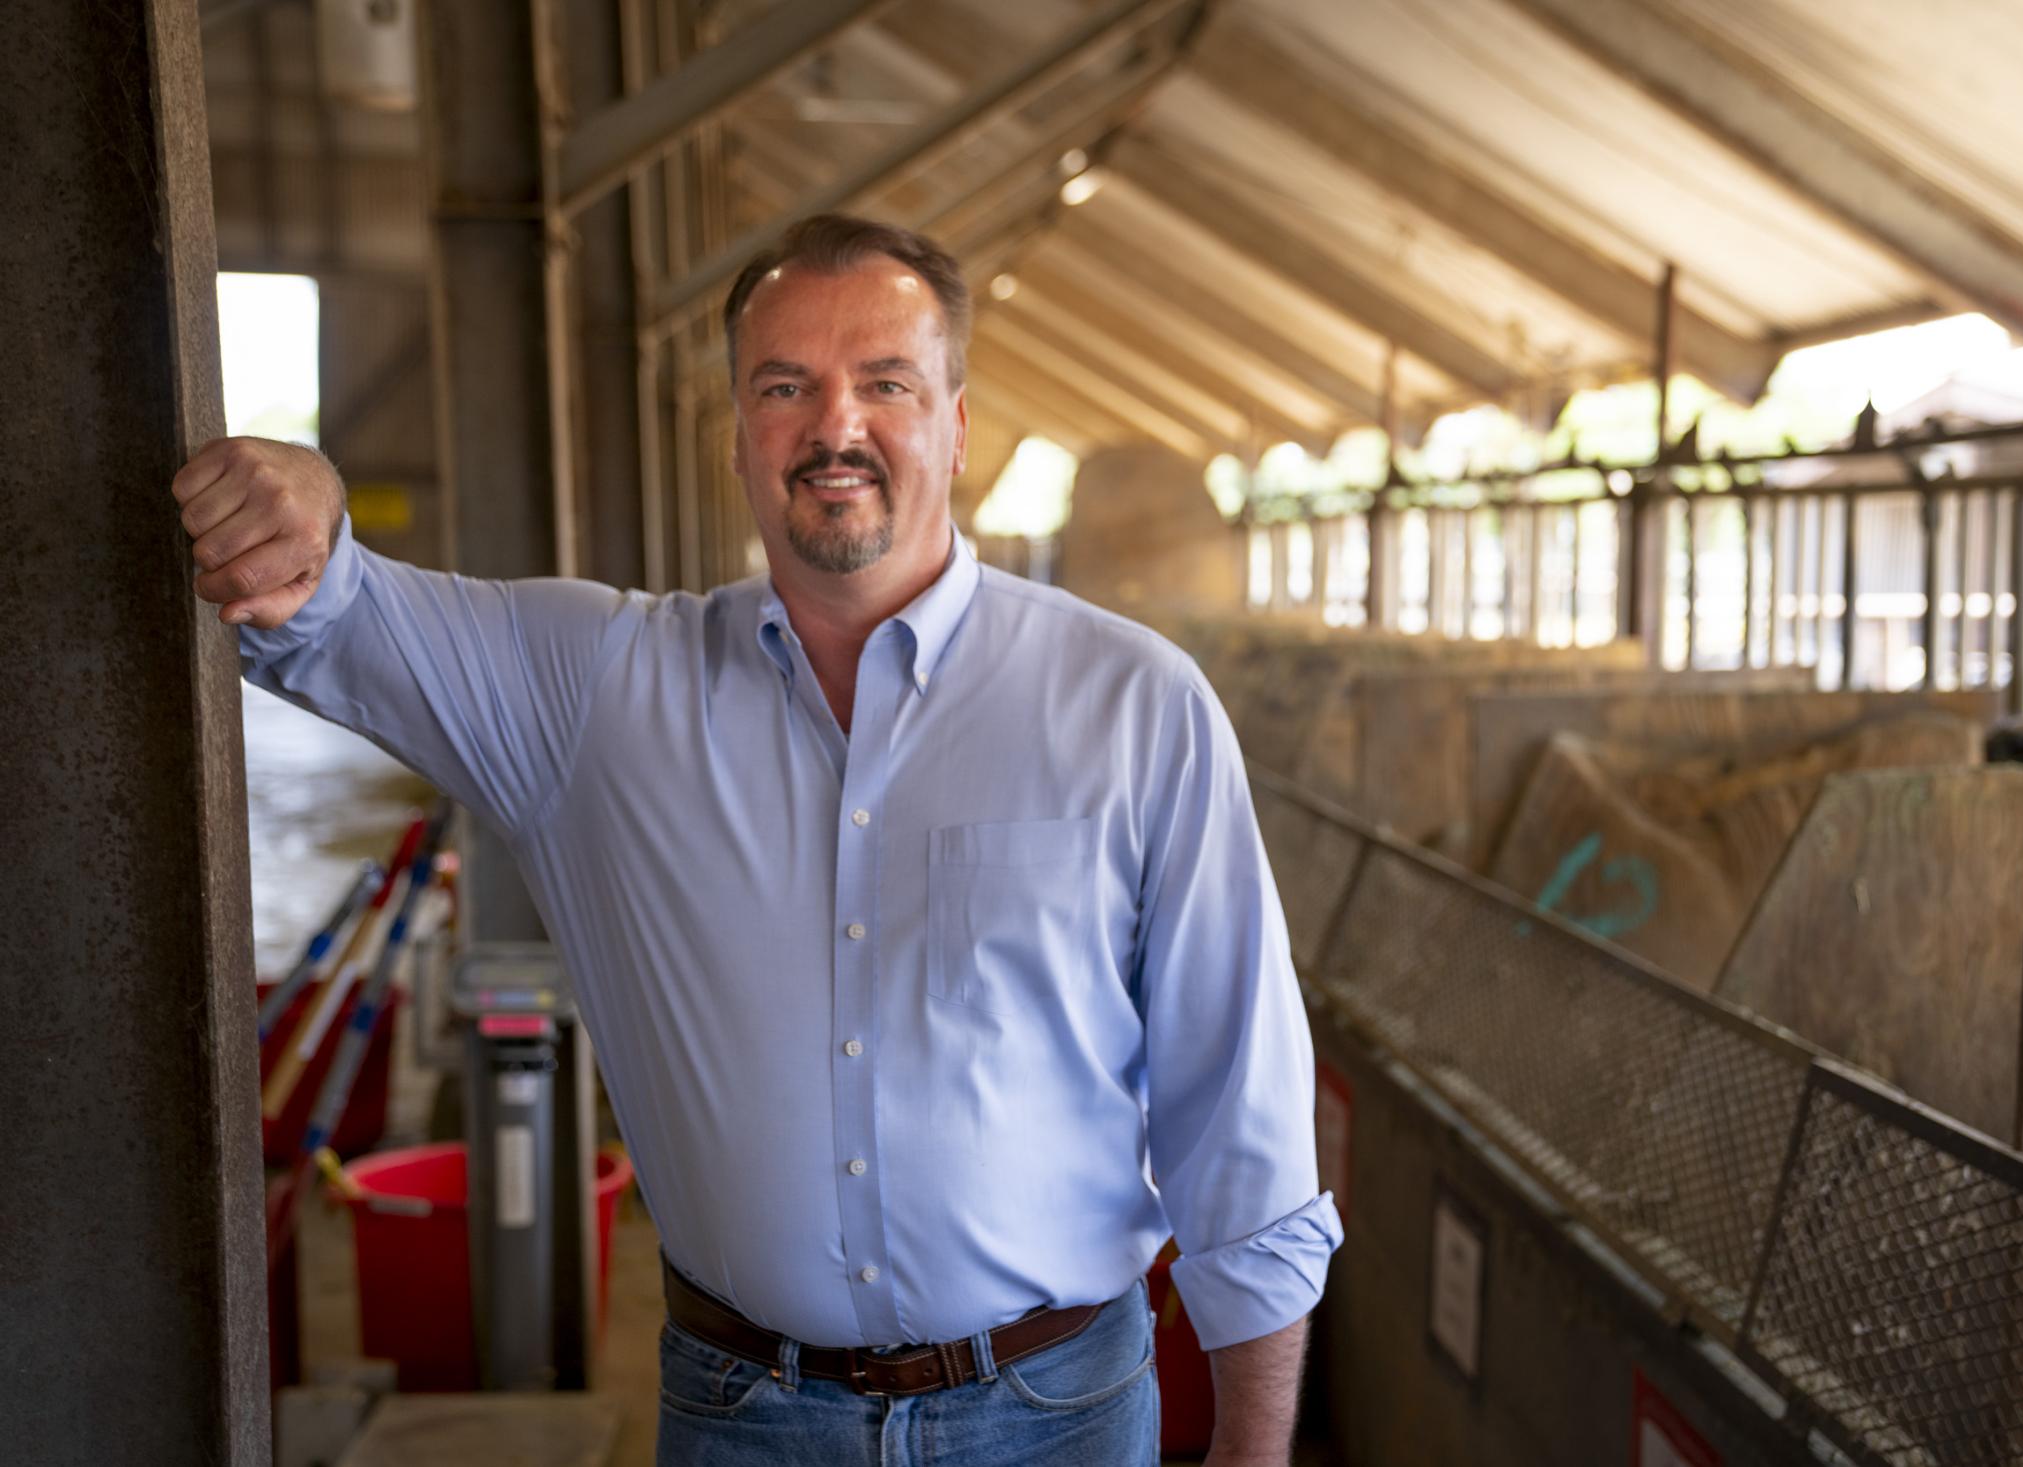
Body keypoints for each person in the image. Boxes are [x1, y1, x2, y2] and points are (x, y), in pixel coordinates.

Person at [174, 213, 1340, 1467]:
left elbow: (1239, 1110)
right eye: (786, 388)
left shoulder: (1132, 708)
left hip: (1053, 1411)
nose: (836, 428)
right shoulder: (598, 694)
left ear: (958, 426)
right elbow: (330, 607)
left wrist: (1254, 1446)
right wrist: (301, 502)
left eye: (885, 385)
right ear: (737, 432)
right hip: (747, 1420)